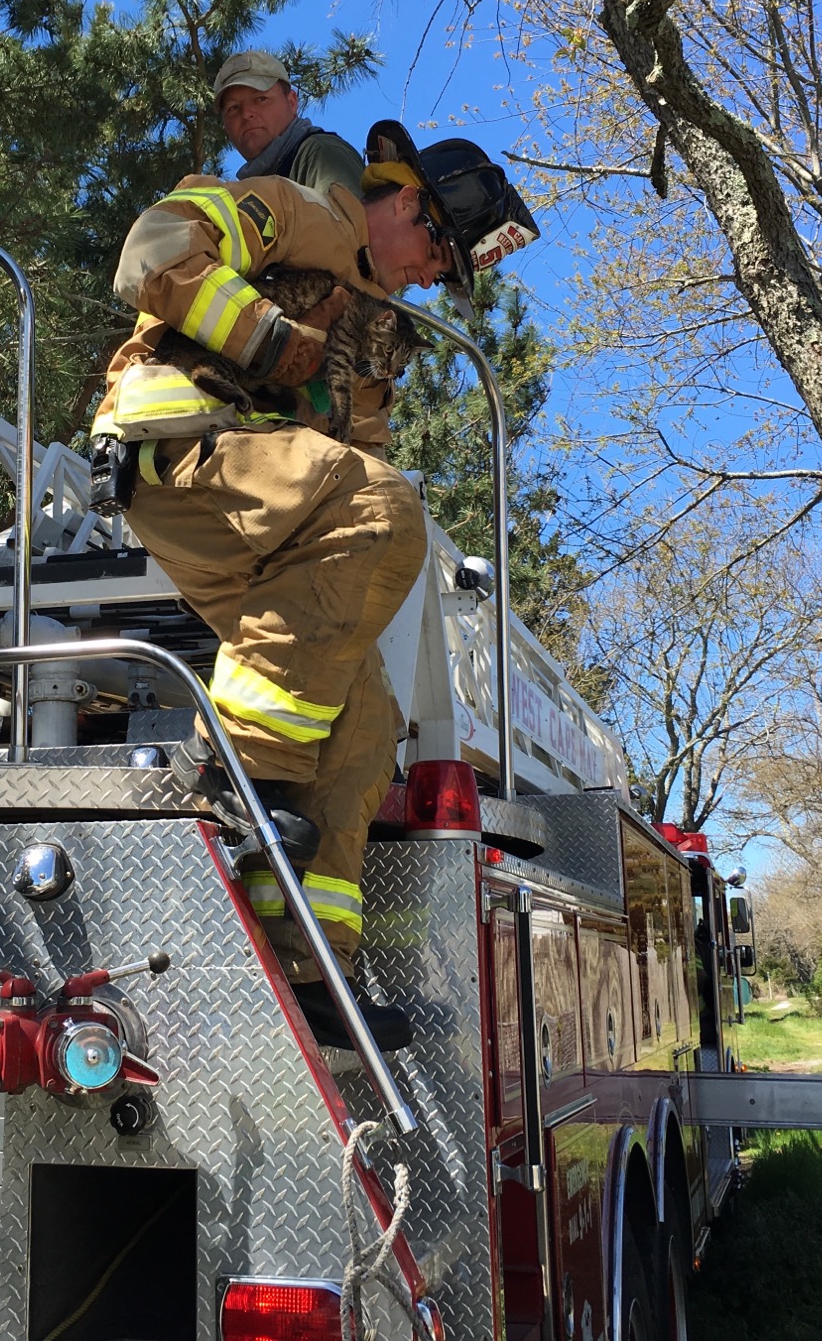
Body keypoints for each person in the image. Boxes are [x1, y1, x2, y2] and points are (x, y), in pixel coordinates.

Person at [91, 122, 539, 1050]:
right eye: (437, 256)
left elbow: (359, 468)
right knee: (384, 507)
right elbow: (152, 253)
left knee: (364, 721)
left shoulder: (380, 331)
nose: (429, 280)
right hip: (180, 443)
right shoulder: (299, 214)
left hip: (270, 502)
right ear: (408, 201)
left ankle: (306, 969)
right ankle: (242, 779)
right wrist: (263, 336)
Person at [213, 50, 365, 196]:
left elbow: (350, 221)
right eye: (233, 108)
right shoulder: (248, 190)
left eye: (260, 99)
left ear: (292, 102)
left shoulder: (320, 154)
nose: (246, 114)